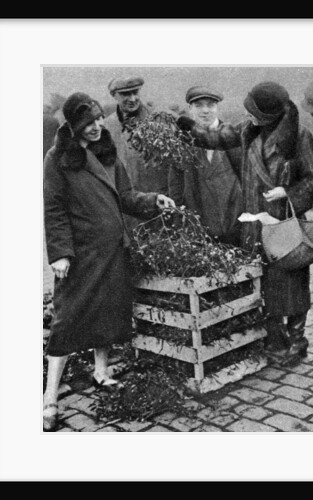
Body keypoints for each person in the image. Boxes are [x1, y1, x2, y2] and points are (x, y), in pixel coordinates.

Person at [43, 92, 175, 431]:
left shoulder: (108, 154)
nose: (97, 127)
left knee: (107, 311)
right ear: (73, 126)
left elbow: (127, 197)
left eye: (100, 120)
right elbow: (54, 209)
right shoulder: (57, 158)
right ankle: (50, 398)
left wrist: (152, 200)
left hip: (114, 250)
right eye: (88, 123)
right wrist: (59, 253)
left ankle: (101, 372)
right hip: (80, 255)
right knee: (66, 319)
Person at [177, 81, 313, 366]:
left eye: (255, 112)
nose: (249, 116)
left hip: (283, 225)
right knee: (266, 286)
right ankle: (276, 342)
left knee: (292, 285)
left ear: (270, 115)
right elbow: (215, 137)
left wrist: (288, 192)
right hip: (254, 224)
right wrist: (187, 127)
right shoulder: (247, 130)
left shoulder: (299, 137)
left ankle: (297, 340)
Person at [168, 86, 243, 246]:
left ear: (217, 107)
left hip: (234, 228)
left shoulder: (232, 137)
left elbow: (246, 181)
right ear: (190, 108)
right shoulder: (181, 142)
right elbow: (176, 187)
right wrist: (179, 226)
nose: (205, 111)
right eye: (199, 105)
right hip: (198, 232)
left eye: (210, 105)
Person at [103, 76, 169, 233]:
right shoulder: (106, 127)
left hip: (159, 207)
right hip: (125, 211)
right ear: (114, 95)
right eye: (126, 94)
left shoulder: (158, 120)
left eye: (135, 92)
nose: (132, 98)